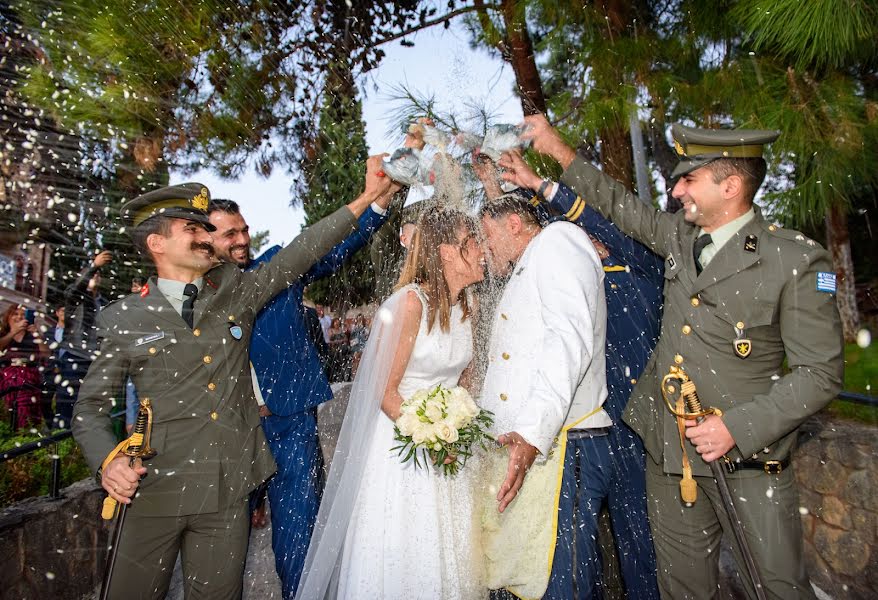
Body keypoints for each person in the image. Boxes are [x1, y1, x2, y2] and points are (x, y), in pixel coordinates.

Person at [523, 114, 844, 599]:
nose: (676, 192)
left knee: (778, 588)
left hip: (749, 461)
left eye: (689, 180)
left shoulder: (795, 260)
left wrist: (737, 426)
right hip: (671, 457)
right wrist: (556, 150)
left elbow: (820, 373)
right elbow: (619, 206)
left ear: (731, 185)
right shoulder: (679, 237)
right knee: (681, 588)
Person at [72, 156, 395, 600]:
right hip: (156, 488)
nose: (207, 237)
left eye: (208, 229)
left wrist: (368, 199)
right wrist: (108, 462)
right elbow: (89, 407)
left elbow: (303, 249)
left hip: (227, 489)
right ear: (157, 243)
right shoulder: (125, 317)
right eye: (194, 229)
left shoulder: (236, 292)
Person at [296, 205, 487, 600]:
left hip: (450, 446)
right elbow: (384, 391)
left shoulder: (469, 304)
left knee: (451, 551)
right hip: (404, 448)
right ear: (447, 252)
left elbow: (466, 376)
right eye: (472, 242)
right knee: (409, 551)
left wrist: (460, 424)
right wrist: (432, 438)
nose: (482, 249)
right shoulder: (409, 304)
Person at [497, 150, 662, 598]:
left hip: (639, 424)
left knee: (639, 540)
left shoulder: (638, 266)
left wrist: (543, 182)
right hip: (590, 421)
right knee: (587, 550)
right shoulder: (568, 264)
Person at [207, 194, 388, 598]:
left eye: (244, 230)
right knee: (218, 547)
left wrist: (378, 204)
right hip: (229, 435)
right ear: (204, 239)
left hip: (290, 424)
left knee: (298, 534)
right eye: (229, 233)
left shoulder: (274, 266)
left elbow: (333, 249)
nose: (242, 239)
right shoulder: (196, 296)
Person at [477, 195, 611, 599]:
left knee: (562, 578)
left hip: (566, 442)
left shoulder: (558, 241)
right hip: (544, 446)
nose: (485, 249)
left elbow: (567, 340)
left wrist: (533, 435)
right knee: (537, 574)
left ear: (513, 224)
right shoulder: (532, 260)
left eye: (487, 235)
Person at [55, 249, 110, 428]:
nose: (96, 277)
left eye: (98, 275)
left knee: (89, 408)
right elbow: (74, 289)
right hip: (74, 357)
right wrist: (94, 266)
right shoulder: (75, 299)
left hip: (95, 362)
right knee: (67, 405)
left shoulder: (106, 304)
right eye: (92, 274)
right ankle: (61, 442)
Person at [0, 305, 49, 429]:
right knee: (7, 410)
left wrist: (37, 334)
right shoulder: (3, 333)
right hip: (7, 378)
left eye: (23, 314)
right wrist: (13, 332)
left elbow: (46, 354)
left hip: (29, 378)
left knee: (26, 412)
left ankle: (24, 436)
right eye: (15, 314)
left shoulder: (33, 335)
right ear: (8, 317)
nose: (19, 317)